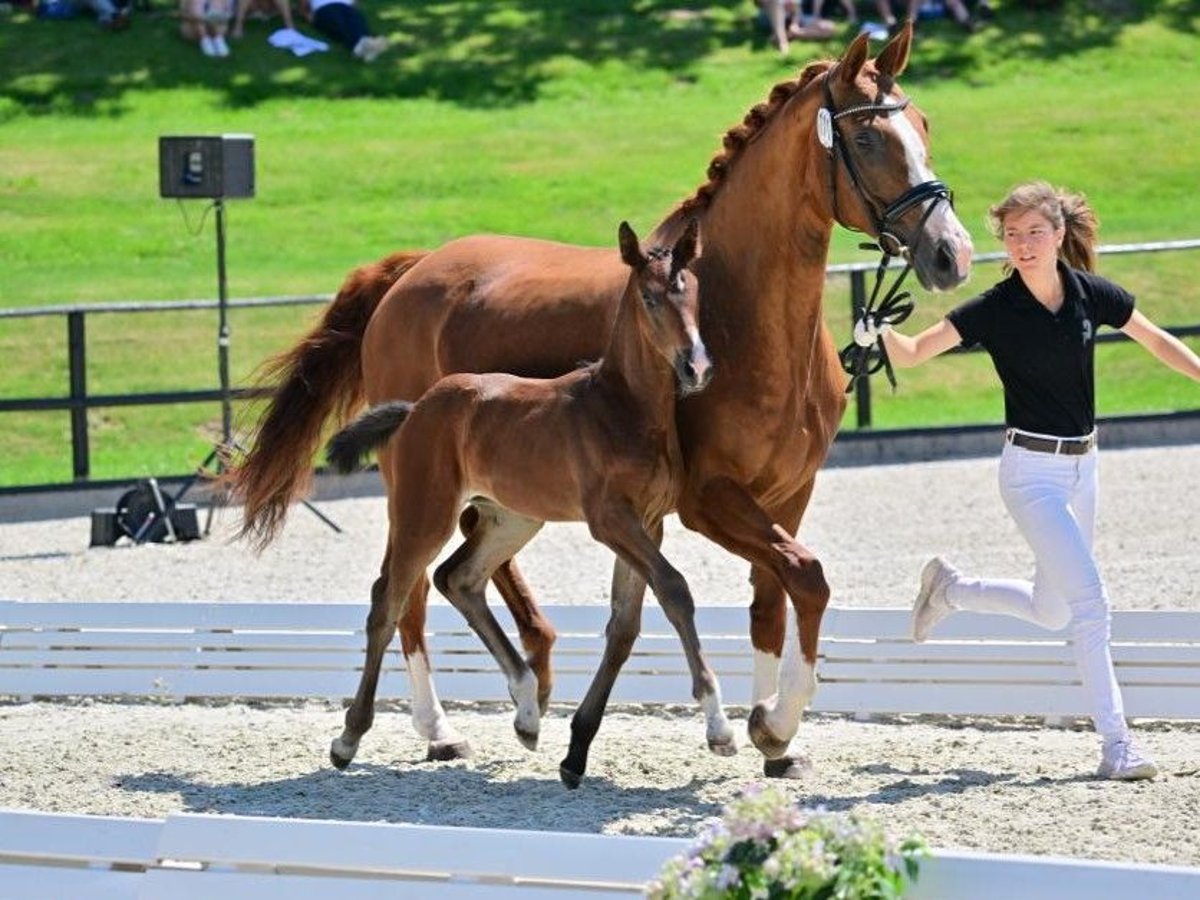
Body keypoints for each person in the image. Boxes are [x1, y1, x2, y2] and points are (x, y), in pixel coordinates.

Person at [856, 181, 1200, 780]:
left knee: (1053, 611)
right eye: (1012, 235)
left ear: (1060, 235)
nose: (1023, 245)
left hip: (1084, 467)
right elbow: (912, 353)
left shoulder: (1091, 294)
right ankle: (1118, 746)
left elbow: (1155, 340)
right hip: (1030, 474)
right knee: (1091, 604)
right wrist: (875, 332)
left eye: (1035, 233)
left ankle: (951, 590)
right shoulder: (993, 308)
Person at [299, 0, 388, 62]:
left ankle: (365, 44)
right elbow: (303, 4)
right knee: (337, 23)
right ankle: (363, 45)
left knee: (356, 20)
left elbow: (355, 4)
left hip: (346, 6)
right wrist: (307, 16)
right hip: (324, 8)